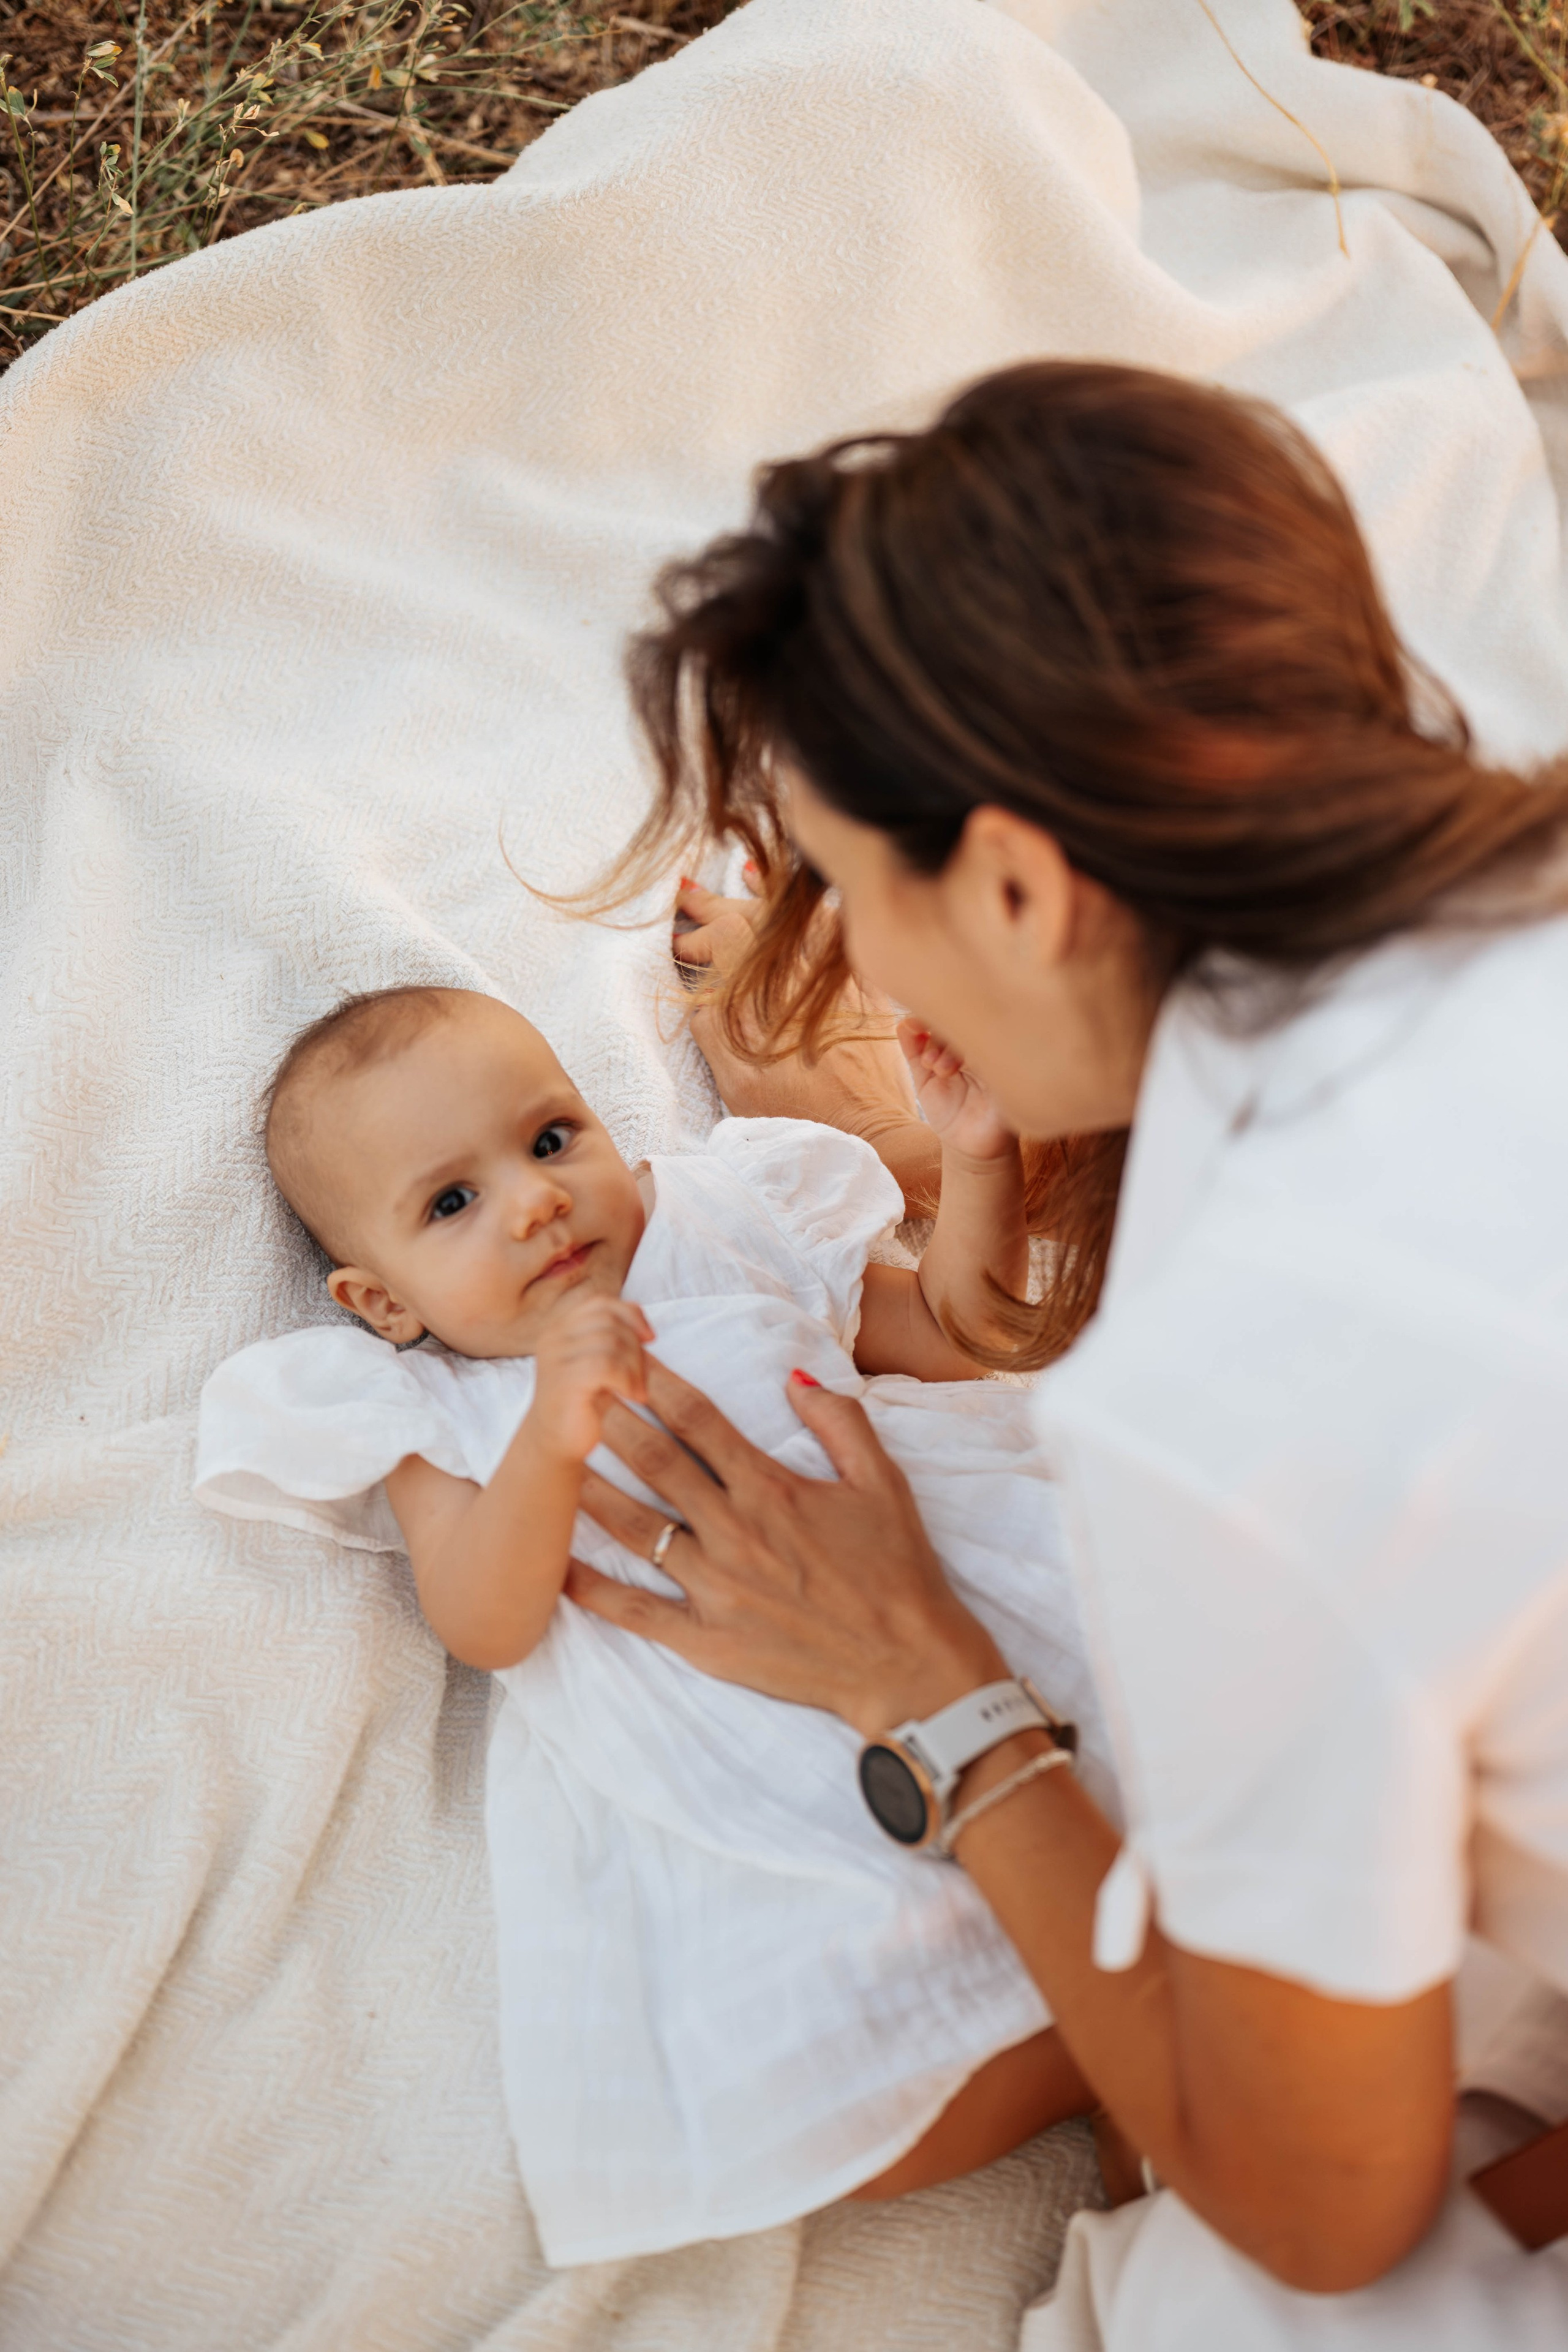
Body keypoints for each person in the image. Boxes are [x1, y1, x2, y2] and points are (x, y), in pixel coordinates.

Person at [560, 359, 1568, 2344]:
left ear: (1021, 884)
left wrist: (929, 1682)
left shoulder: (1233, 1405)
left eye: (854, 890)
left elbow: (1322, 2210)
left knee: (1192, 2268)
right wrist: (954, 1161)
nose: (845, 950)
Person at [191, 982, 1119, 2266]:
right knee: (856, 2112)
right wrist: (551, 1447)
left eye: (549, 1136)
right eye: (451, 1204)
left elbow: (964, 1337)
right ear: (383, 1299)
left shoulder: (731, 1222)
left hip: (952, 1583)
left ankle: (1174, 2015)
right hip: (724, 1744)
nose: (533, 1199)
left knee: (1171, 1751)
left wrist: (975, 1155)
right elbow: (481, 1618)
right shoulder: (430, 1407)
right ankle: (1127, 2053)